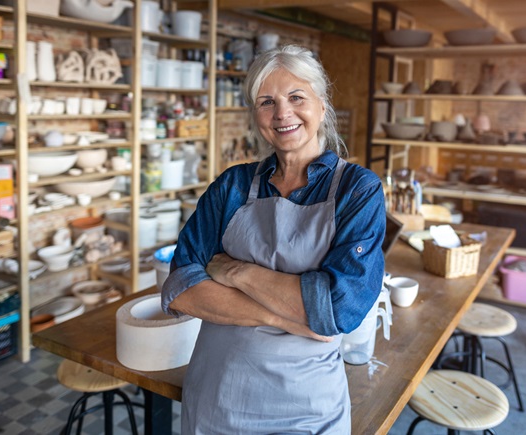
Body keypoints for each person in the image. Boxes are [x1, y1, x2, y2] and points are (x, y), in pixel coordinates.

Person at [161, 45, 386, 433]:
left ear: (322, 103)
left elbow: (337, 311)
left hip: (307, 410)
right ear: (256, 114)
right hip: (216, 401)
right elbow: (181, 287)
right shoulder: (231, 186)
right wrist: (282, 316)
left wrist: (238, 274)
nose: (282, 113)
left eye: (296, 97)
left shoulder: (358, 190)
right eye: (267, 102)